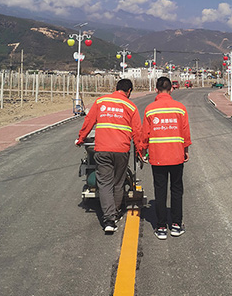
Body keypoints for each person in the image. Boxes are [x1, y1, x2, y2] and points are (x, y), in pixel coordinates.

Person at [75, 79, 142, 233]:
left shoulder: (101, 101)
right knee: (118, 183)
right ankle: (116, 212)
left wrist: (81, 138)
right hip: (121, 150)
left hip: (103, 149)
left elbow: (89, 121)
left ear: (115, 88)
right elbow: (138, 131)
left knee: (104, 183)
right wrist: (140, 151)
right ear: (129, 91)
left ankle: (109, 220)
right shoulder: (130, 106)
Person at [141, 77, 191, 240]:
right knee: (177, 190)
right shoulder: (180, 108)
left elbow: (145, 135)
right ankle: (176, 224)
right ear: (171, 90)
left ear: (156, 89)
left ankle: (161, 227)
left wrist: (143, 152)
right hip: (176, 156)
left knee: (160, 190)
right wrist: (185, 150)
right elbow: (185, 133)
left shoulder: (150, 109)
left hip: (158, 157)